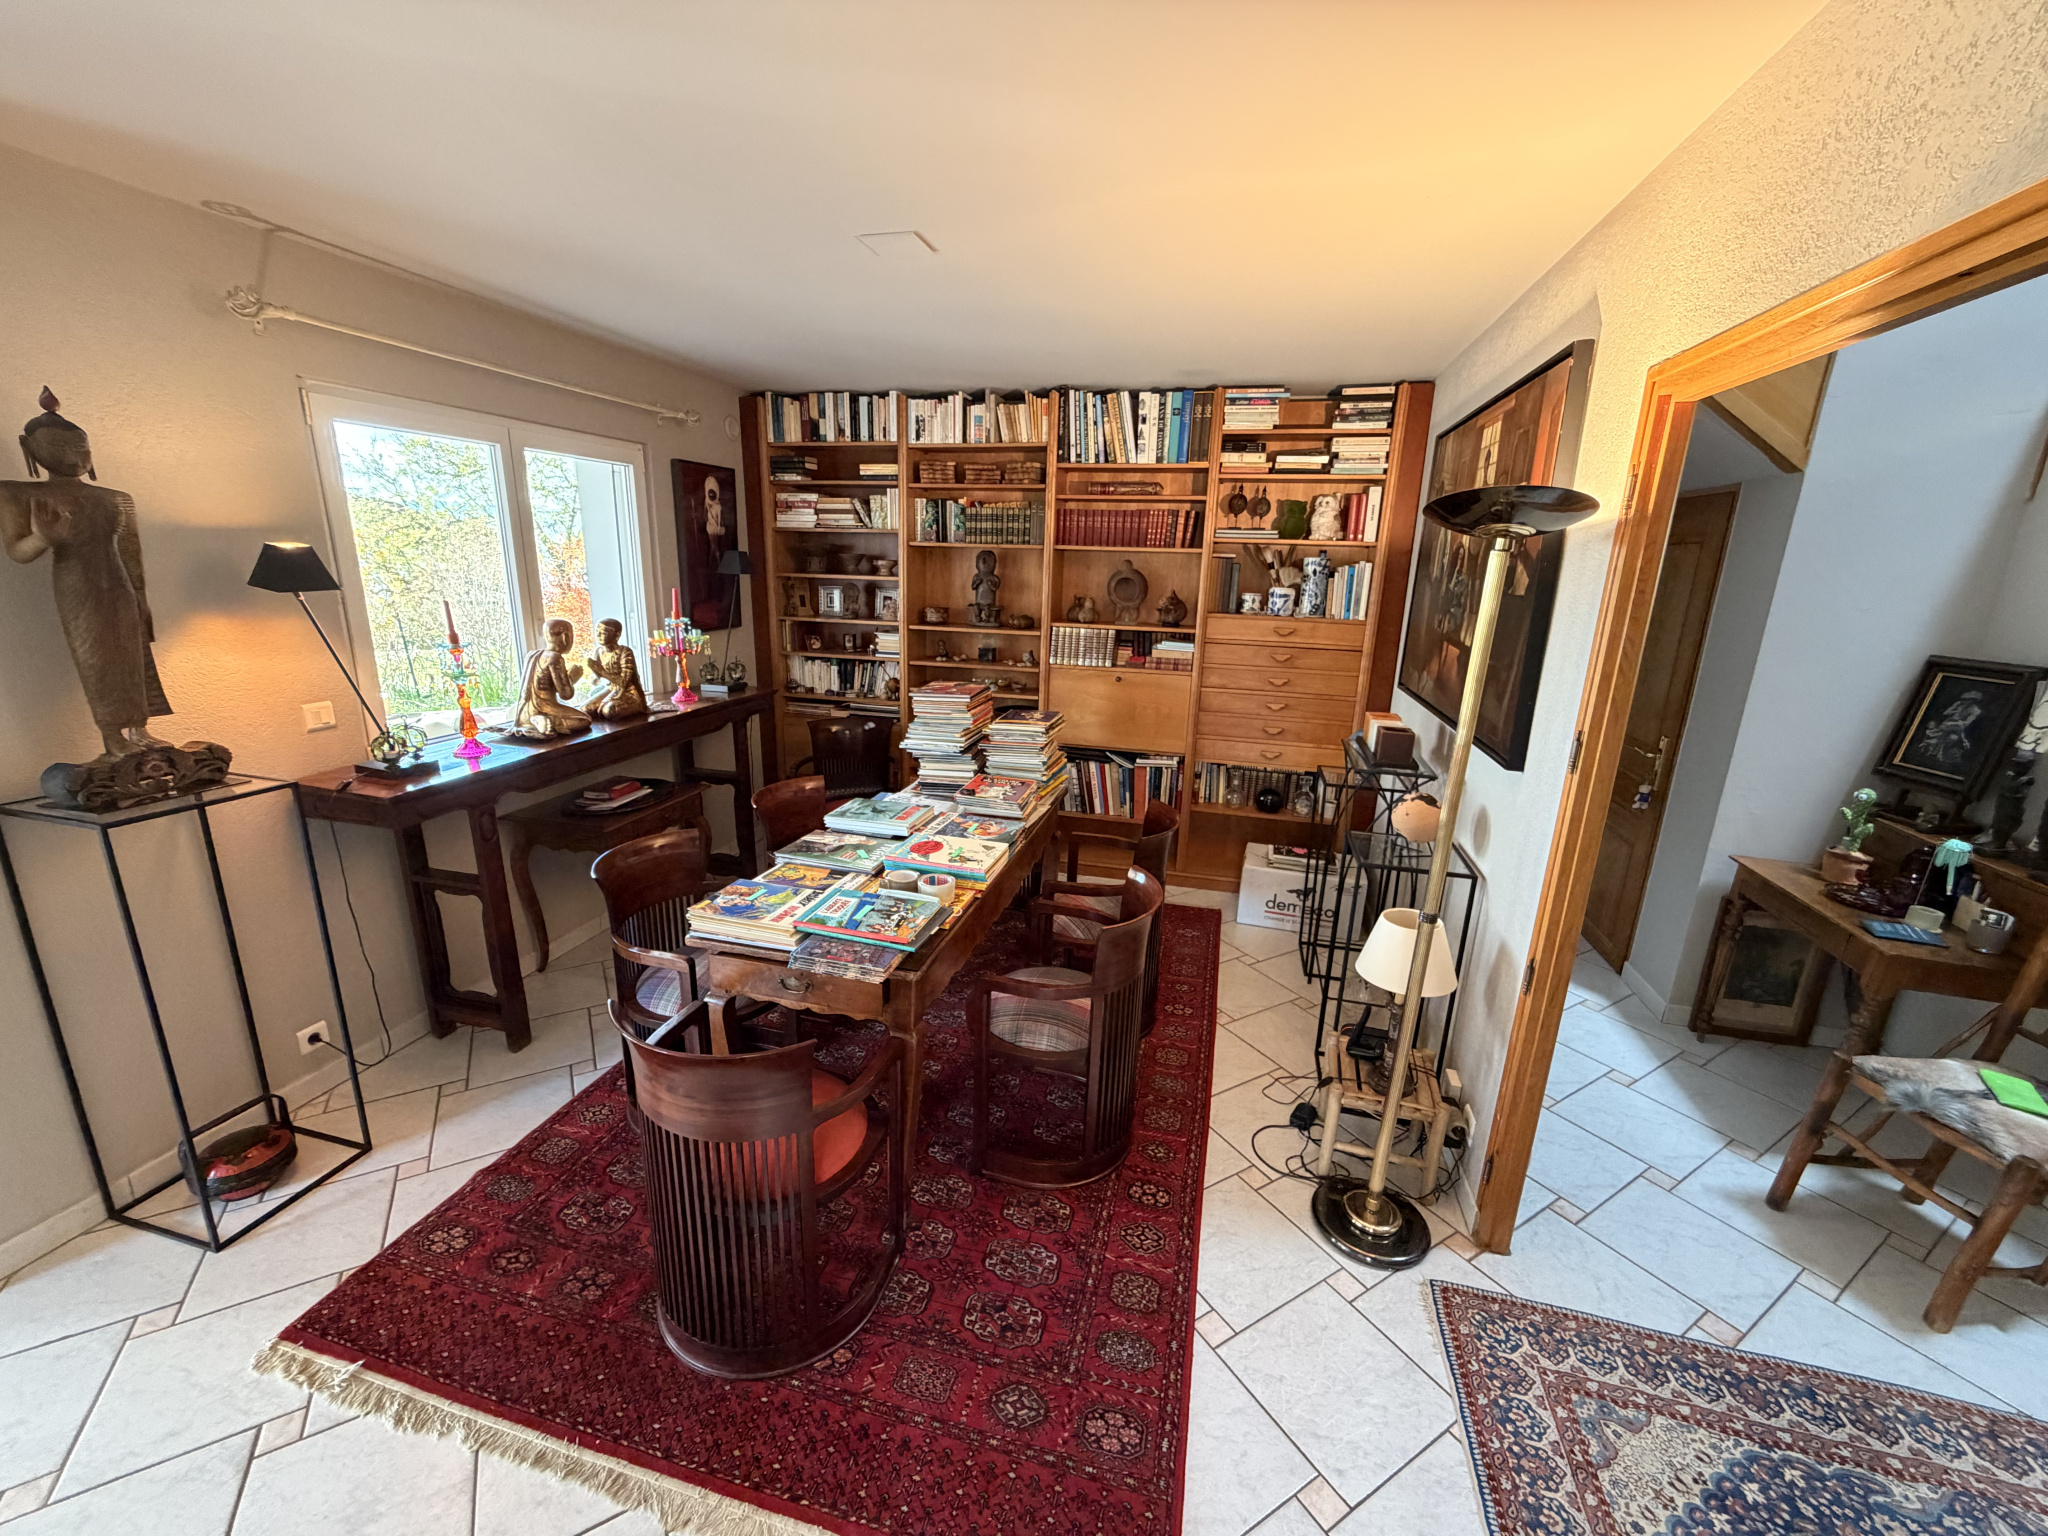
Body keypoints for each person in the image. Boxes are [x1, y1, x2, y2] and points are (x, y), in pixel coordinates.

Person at [0, 389, 172, 758]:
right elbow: (17, 552)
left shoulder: (114, 498)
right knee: (94, 657)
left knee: (133, 653)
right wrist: (43, 538)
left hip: (120, 584)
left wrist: (142, 600)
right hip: (77, 585)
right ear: (30, 448)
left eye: (81, 448)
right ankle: (112, 736)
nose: (73, 456)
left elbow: (130, 554)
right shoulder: (17, 493)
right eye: (60, 447)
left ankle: (140, 728)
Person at [514, 618, 591, 736]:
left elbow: (545, 685)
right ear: (565, 638)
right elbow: (566, 694)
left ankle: (536, 721)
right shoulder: (555, 658)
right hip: (544, 707)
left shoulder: (531, 655)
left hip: (523, 713)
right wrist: (573, 676)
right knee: (585, 720)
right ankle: (549, 721)